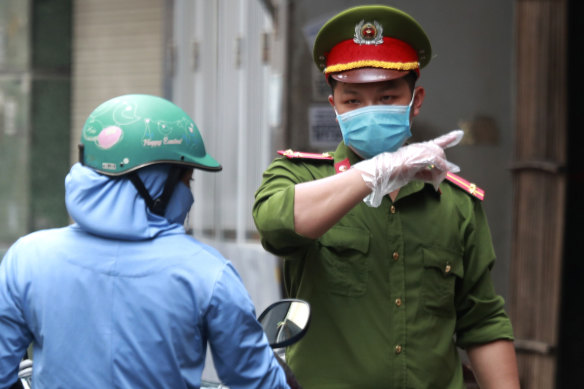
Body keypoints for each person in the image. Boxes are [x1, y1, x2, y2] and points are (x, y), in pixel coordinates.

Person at [252, 5, 519, 389]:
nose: (370, 112)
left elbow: (482, 322)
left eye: (387, 97)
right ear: (335, 107)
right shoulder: (300, 176)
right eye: (353, 101)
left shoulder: (456, 202)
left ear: (416, 100)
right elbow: (275, 224)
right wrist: (371, 174)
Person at [0, 94, 294, 388]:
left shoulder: (27, 257)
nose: (189, 197)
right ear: (153, 182)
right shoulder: (208, 273)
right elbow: (258, 382)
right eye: (186, 181)